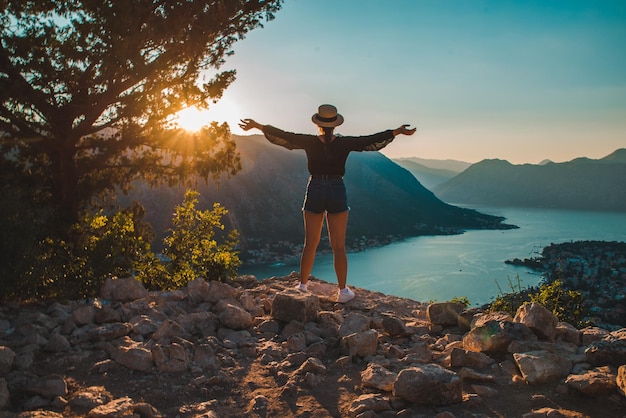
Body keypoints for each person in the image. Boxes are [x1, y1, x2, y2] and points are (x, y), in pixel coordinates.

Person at [239, 104, 416, 303]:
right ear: (335, 124)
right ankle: (342, 291)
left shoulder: (310, 142)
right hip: (336, 189)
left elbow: (285, 136)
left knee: (310, 243)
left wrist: (258, 126)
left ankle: (303, 285)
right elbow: (369, 140)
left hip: (314, 188)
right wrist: (396, 132)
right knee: (338, 246)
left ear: (319, 124)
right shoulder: (344, 143)